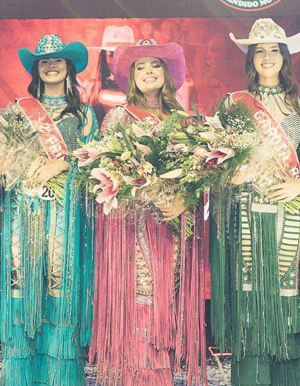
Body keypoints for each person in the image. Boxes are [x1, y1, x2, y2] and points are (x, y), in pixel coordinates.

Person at [209, 18, 300, 386]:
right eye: (260, 51)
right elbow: (217, 159)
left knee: (286, 297)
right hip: (247, 212)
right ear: (251, 60)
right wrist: (233, 174)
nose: (268, 57)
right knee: (251, 297)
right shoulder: (236, 104)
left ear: (285, 57)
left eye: (275, 49)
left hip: (289, 212)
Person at [90, 39, 207, 386]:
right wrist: (143, 188)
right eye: (140, 67)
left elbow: (199, 177)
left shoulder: (185, 121)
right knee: (139, 298)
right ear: (130, 77)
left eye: (155, 65)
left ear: (168, 74)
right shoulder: (117, 118)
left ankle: (161, 375)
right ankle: (135, 376)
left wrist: (185, 201)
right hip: (133, 224)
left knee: (165, 302)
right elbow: (104, 171)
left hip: (171, 225)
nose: (148, 72)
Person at [0, 34, 98, 386]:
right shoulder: (16, 111)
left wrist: (63, 165)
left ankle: (59, 376)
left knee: (58, 284)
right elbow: (1, 160)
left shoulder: (84, 114)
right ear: (36, 69)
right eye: (44, 60)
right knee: (21, 283)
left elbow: (96, 161)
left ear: (69, 67)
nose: (51, 65)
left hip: (63, 213)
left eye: (58, 60)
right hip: (22, 210)